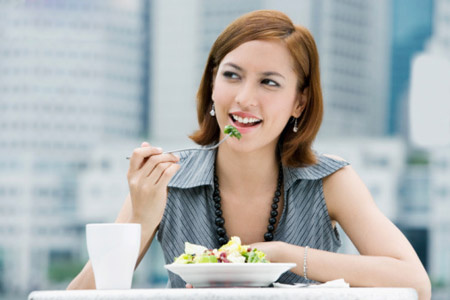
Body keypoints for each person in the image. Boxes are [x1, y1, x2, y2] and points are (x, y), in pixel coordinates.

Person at [68, 10, 431, 299]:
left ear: (299, 103)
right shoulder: (166, 179)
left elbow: (416, 284)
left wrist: (281, 255)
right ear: (212, 85)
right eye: (231, 76)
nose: (244, 98)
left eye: (269, 82)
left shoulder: (330, 181)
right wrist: (142, 219)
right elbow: (77, 299)